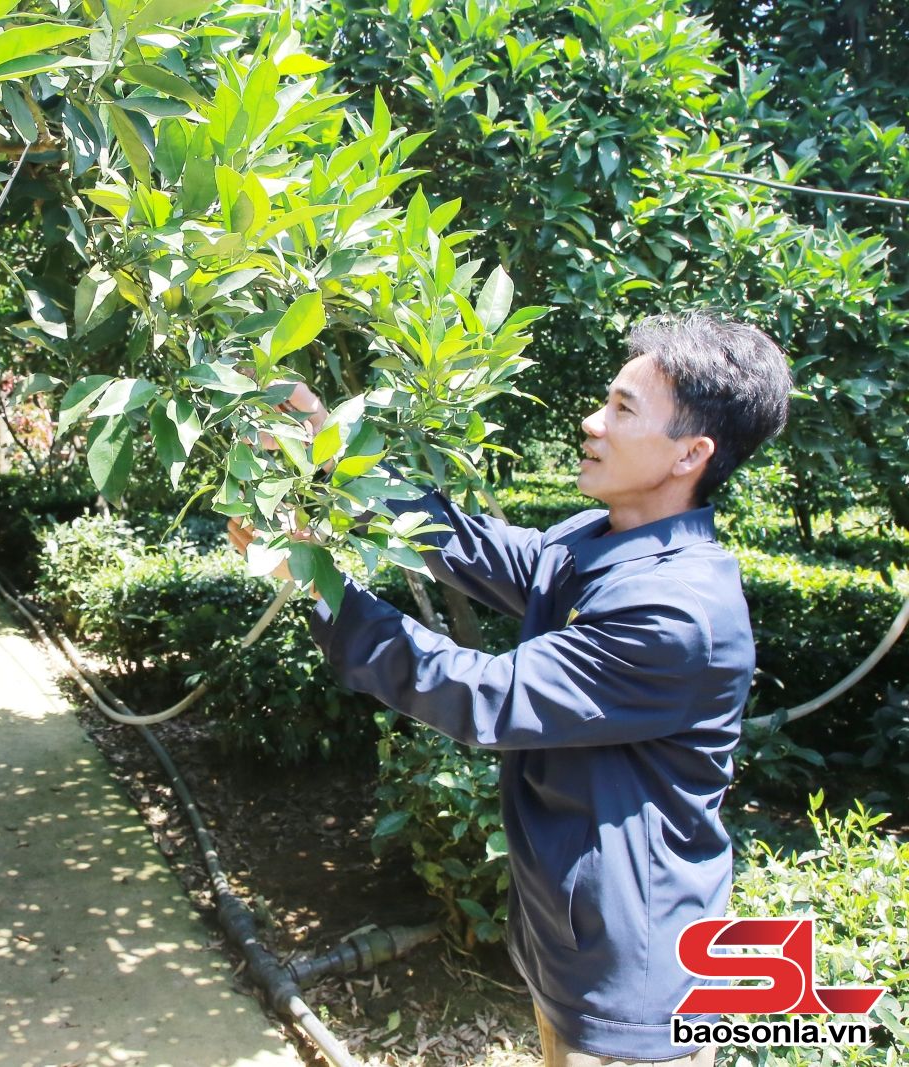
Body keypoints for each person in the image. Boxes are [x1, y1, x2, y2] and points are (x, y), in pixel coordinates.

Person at [227, 311, 792, 1066]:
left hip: (633, 979)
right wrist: (329, 450)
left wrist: (315, 581)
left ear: (691, 453)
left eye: (624, 409)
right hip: (571, 942)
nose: (592, 422)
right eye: (606, 399)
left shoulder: (678, 612)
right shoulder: (602, 541)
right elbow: (471, 544)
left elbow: (484, 694)